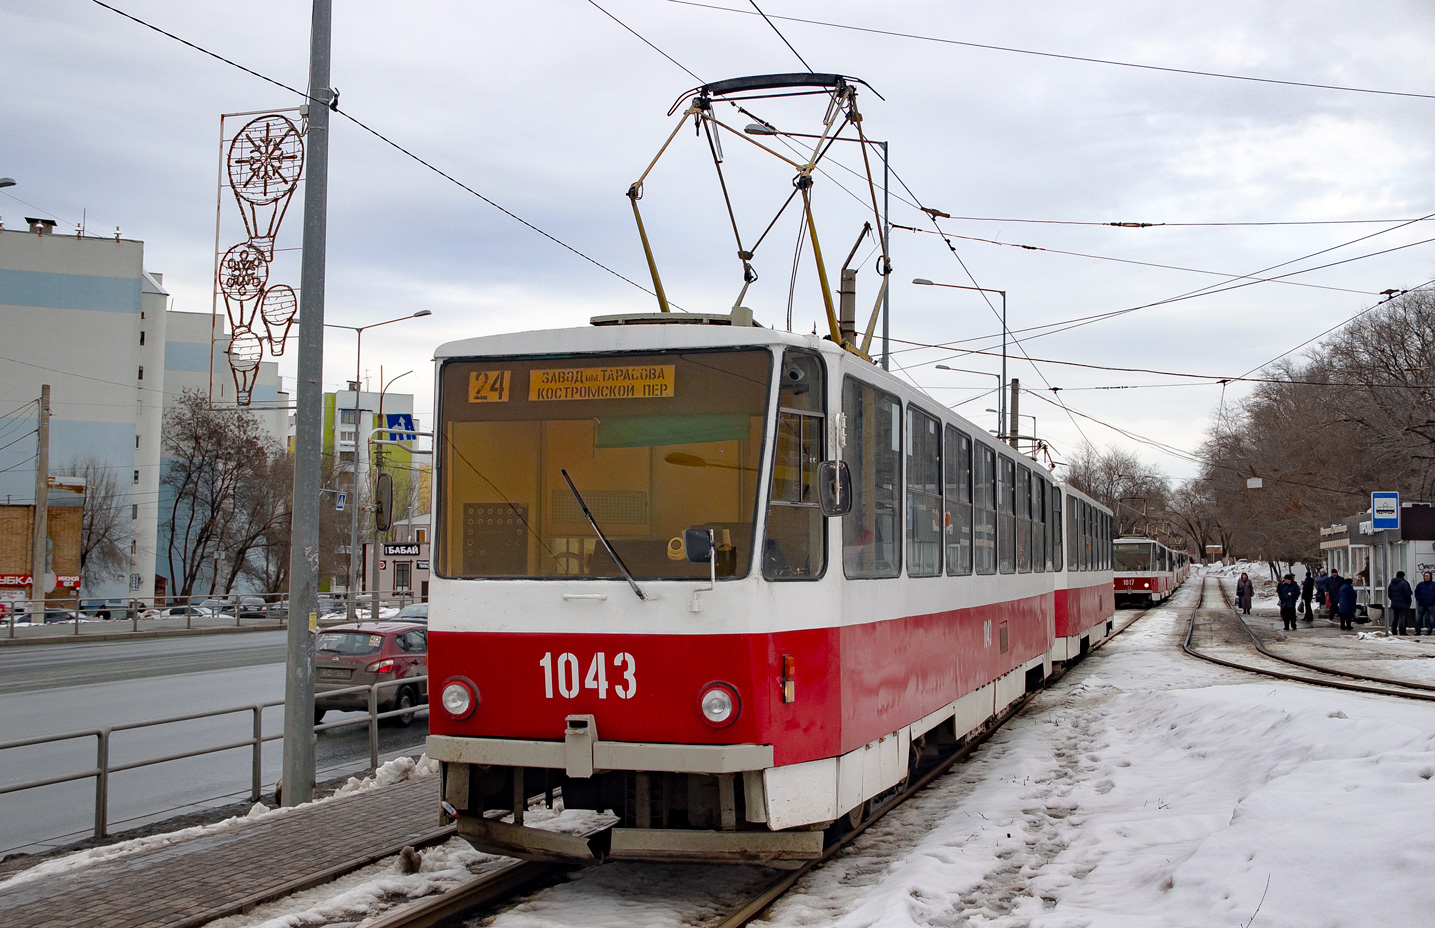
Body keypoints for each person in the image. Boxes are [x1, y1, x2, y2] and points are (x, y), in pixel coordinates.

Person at [1388, 570, 1414, 635]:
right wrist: (1409, 600)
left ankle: (1394, 630)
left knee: (1395, 618)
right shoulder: (1404, 583)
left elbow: (1389, 594)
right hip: (1404, 604)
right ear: (1403, 576)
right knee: (1402, 618)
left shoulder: (1391, 583)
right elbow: (1407, 594)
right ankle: (1402, 631)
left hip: (1394, 604)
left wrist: (1393, 600)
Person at [1415, 571, 1435, 637]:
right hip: (1421, 604)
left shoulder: (1433, 585)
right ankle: (1417, 631)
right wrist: (1419, 599)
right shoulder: (1420, 585)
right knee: (1419, 618)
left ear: (1430, 577)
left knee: (1431, 618)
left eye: (1428, 576)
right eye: (1425, 576)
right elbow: (1416, 593)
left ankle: (1429, 630)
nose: (1426, 577)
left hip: (1430, 604)